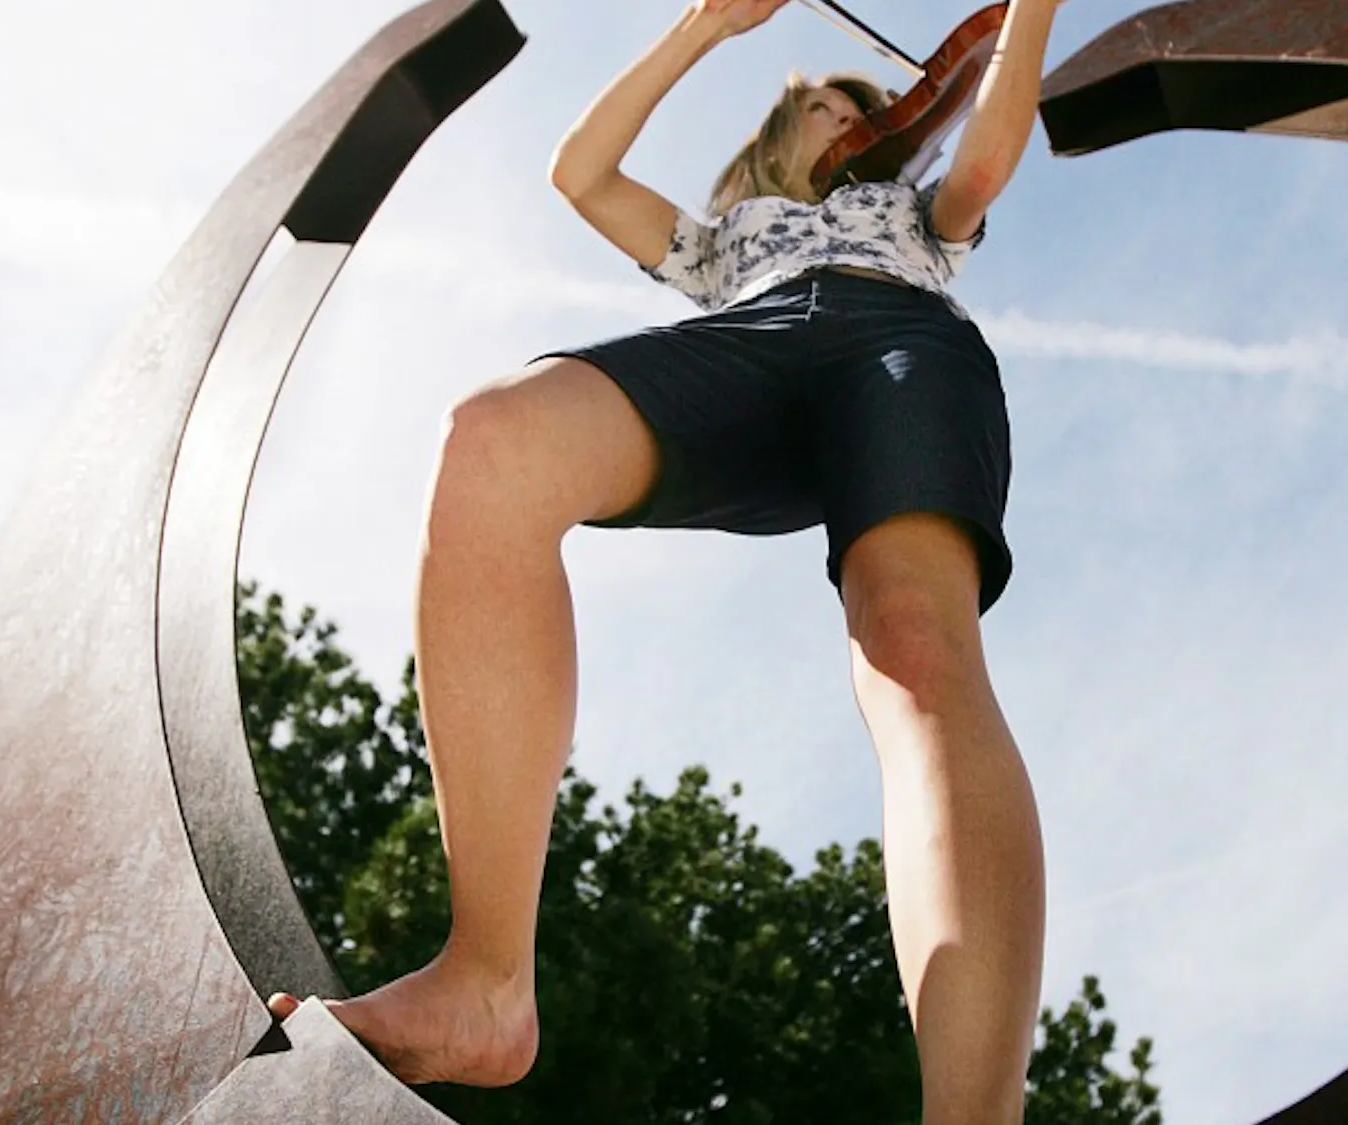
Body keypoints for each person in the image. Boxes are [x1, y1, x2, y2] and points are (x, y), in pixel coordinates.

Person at [270, 1, 1066, 1121]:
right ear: (782, 131)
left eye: (872, 106)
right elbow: (580, 172)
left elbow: (982, 159)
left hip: (902, 341)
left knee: (916, 646)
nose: (858, 111)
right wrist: (703, 27)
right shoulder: (719, 240)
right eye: (831, 102)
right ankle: (486, 985)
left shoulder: (908, 207)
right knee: (494, 443)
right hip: (745, 333)